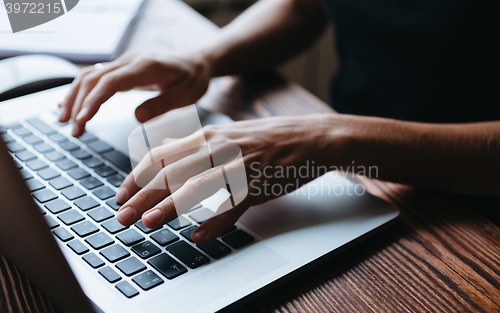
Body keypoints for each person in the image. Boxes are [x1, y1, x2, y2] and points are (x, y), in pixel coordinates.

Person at [59, 0, 500, 244]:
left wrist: (330, 136)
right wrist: (204, 58)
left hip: (471, 212)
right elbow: (305, 7)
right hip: (355, 172)